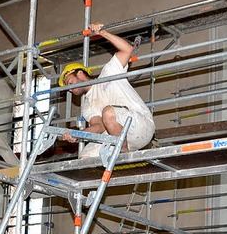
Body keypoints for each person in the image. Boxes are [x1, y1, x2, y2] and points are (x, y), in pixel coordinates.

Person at [59, 23, 155, 158]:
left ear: (80, 74)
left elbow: (127, 49)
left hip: (140, 125)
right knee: (85, 156)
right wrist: (78, 135)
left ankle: (122, 151)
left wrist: (102, 33)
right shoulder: (87, 105)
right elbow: (99, 127)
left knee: (108, 112)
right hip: (117, 134)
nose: (70, 90)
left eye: (70, 83)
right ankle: (121, 150)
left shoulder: (109, 72)